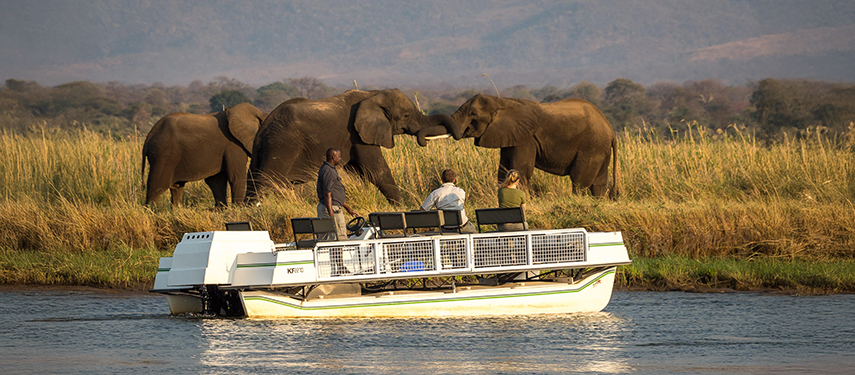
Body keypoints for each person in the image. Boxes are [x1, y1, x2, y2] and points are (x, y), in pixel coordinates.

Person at [317, 148, 357, 241]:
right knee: (339, 239)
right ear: (333, 157)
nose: (340, 158)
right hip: (332, 209)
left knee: (326, 239)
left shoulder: (327, 169)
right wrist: (331, 215)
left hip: (330, 206)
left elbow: (334, 194)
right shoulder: (329, 171)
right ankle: (338, 256)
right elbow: (327, 194)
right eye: (339, 156)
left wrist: (347, 208)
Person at [420, 169, 477, 233]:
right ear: (454, 180)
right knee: (472, 229)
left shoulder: (435, 193)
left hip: (445, 229)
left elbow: (423, 210)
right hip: (462, 227)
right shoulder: (461, 192)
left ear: (441, 179)